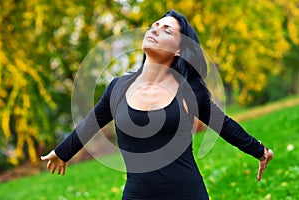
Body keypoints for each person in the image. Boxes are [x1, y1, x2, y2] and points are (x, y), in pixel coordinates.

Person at [41, 9, 273, 200]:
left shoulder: (188, 89)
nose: (155, 29)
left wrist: (259, 151)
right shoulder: (118, 88)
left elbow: (224, 125)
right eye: (155, 25)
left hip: (187, 193)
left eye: (167, 30)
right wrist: (62, 152)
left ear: (179, 49)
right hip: (137, 195)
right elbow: (91, 123)